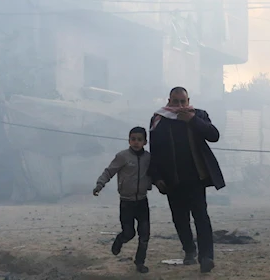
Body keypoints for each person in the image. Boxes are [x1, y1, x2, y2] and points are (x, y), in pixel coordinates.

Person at [148, 87, 225, 274]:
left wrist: (192, 120)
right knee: (180, 218)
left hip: (196, 177)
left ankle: (206, 257)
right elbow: (155, 150)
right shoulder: (160, 119)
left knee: (201, 216)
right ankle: (189, 250)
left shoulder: (198, 115)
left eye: (183, 101)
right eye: (176, 102)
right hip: (172, 179)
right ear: (169, 101)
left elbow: (214, 135)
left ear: (188, 100)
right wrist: (156, 177)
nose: (180, 106)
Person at [93, 127, 152, 274]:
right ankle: (120, 240)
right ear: (129, 140)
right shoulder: (122, 156)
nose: (136, 142)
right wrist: (100, 184)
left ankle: (140, 262)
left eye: (139, 140)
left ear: (145, 142)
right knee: (129, 232)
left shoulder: (148, 158)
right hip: (127, 202)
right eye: (133, 139)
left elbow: (155, 174)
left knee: (144, 234)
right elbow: (109, 171)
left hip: (142, 201)